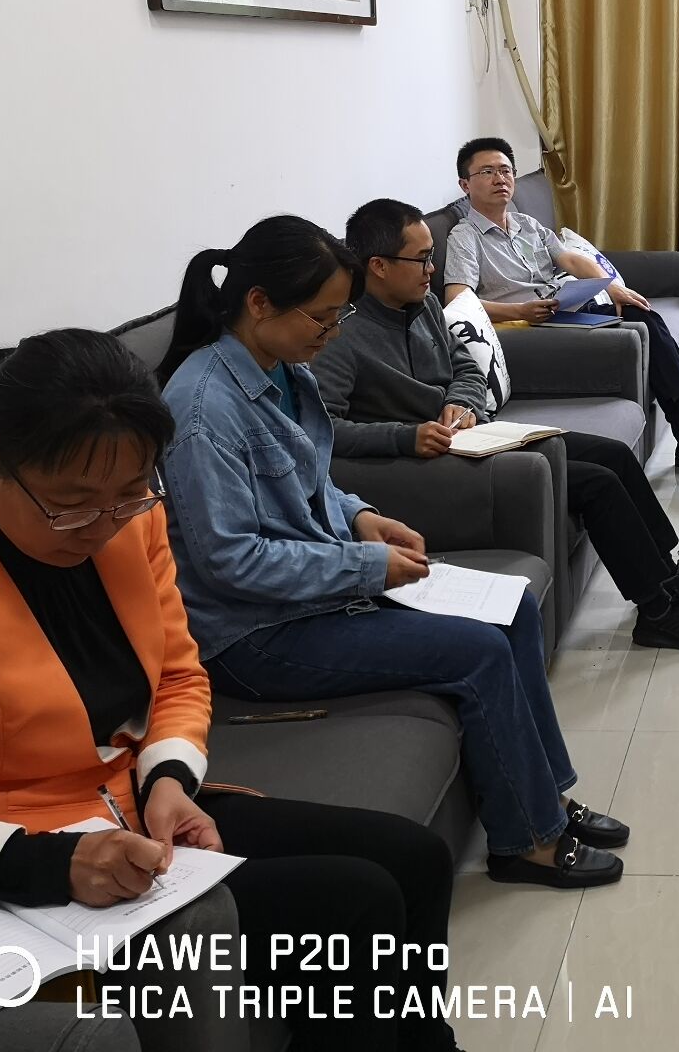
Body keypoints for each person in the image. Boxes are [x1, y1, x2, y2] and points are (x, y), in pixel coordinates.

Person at [0, 331, 462, 1052]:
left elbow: (177, 675)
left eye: (130, 494)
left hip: (143, 818)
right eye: (72, 504)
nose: (103, 526)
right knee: (351, 905)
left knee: (414, 858)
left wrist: (168, 778)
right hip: (32, 871)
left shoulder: (134, 527)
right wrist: (52, 865)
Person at [156, 216, 625, 889]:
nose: (333, 333)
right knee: (477, 652)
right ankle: (529, 841)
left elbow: (310, 480)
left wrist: (362, 516)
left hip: (312, 591)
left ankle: (544, 797)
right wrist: (367, 565)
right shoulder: (204, 413)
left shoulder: (282, 370)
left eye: (338, 316)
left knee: (514, 607)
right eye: (322, 318)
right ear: (259, 303)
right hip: (254, 634)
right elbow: (231, 562)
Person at [318, 198, 679, 653]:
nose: (432, 270)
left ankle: (670, 574)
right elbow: (325, 431)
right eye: (421, 259)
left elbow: (467, 368)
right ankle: (657, 612)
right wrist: (407, 436)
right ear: (378, 266)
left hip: (472, 437)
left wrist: (463, 402)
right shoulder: (341, 336)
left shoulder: (423, 307)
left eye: (431, 257)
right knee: (596, 484)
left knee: (614, 454)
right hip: (425, 461)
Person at [441, 136, 679, 472]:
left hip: (561, 309)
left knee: (642, 313)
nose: (500, 179)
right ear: (465, 185)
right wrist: (520, 311)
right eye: (487, 172)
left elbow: (571, 260)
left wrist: (613, 287)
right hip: (529, 326)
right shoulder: (464, 237)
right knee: (646, 321)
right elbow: (458, 300)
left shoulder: (526, 225)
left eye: (505, 170)